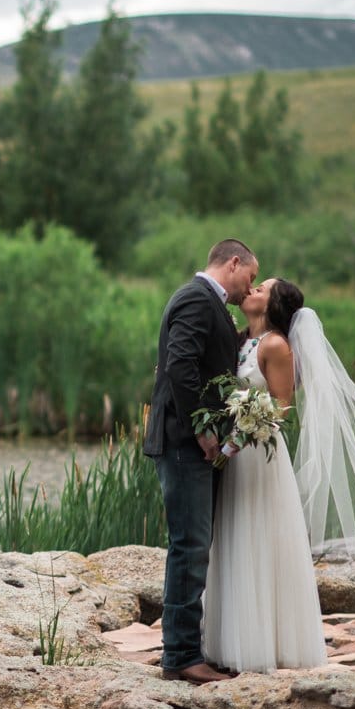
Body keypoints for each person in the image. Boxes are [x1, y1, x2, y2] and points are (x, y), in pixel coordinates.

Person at [144, 239, 257, 684]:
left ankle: (187, 649)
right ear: (233, 263)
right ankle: (181, 657)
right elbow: (181, 365)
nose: (249, 287)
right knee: (189, 548)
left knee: (194, 546)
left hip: (190, 444)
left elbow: (210, 359)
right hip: (183, 443)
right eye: (250, 276)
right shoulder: (194, 298)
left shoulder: (206, 303)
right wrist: (203, 429)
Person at [202, 278, 328, 674]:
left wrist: (241, 436)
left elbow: (280, 406)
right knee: (233, 535)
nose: (252, 290)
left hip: (259, 455)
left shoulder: (276, 345)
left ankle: (264, 645)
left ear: (272, 305)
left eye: (262, 288)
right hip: (232, 453)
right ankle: (227, 642)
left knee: (258, 535)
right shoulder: (240, 341)